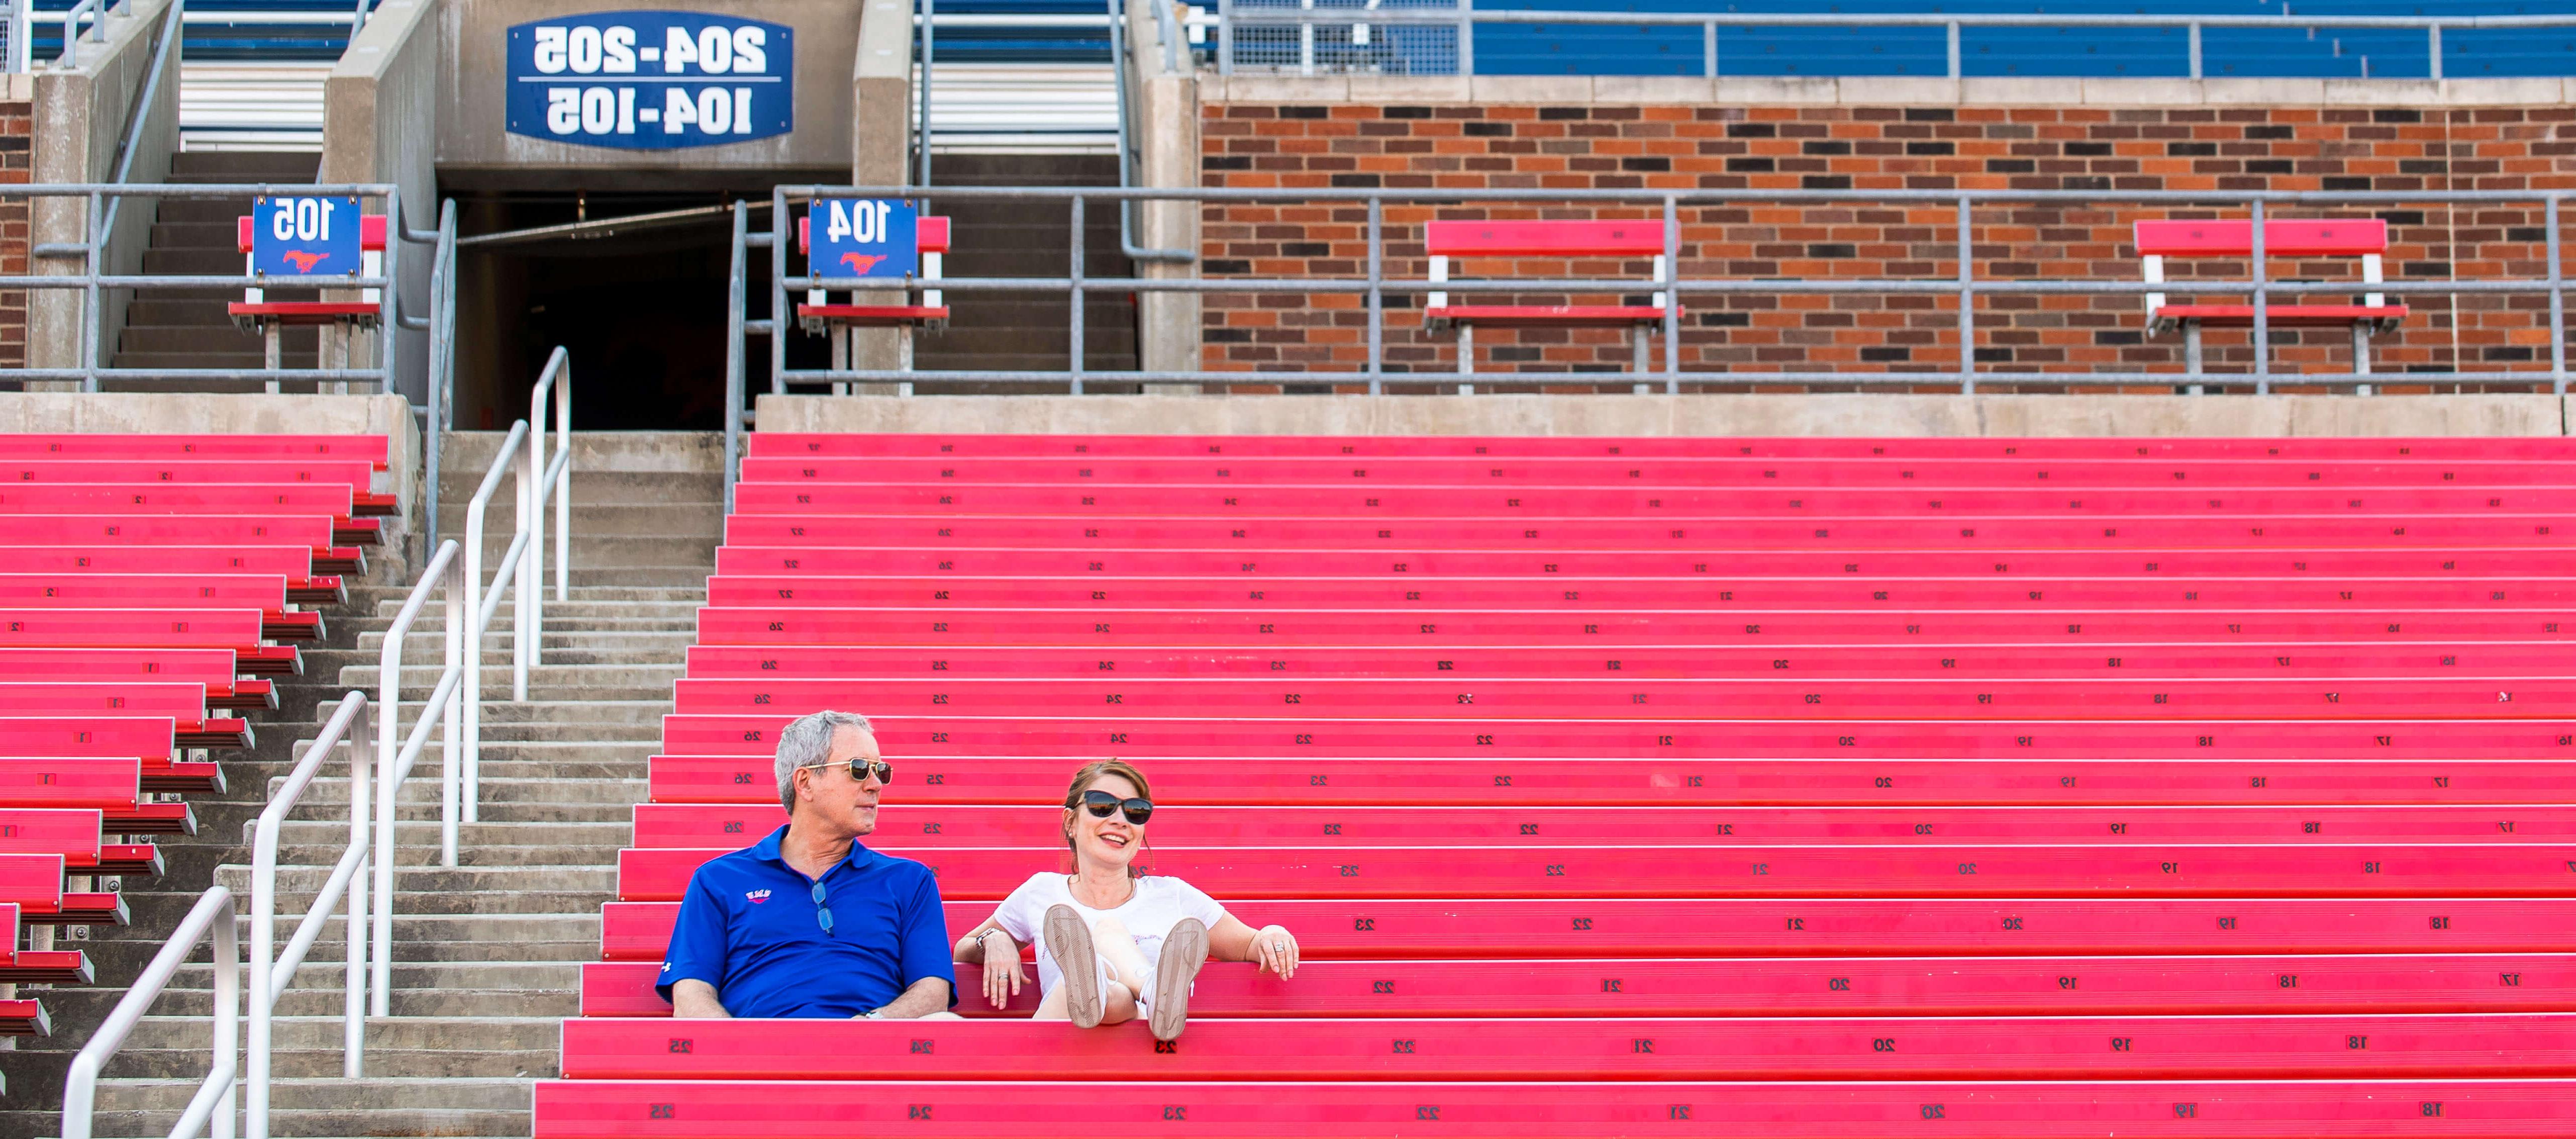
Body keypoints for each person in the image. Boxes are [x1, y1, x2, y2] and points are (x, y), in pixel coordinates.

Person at [952, 758, 1300, 1040]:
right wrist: (994, 938)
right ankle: (1149, 987)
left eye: (1135, 811)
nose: (1120, 820)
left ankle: (1116, 985)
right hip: (1057, 1056)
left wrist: (1272, 933)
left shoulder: (1172, 896)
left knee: (1105, 954)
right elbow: (963, 949)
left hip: (1147, 1061)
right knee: (1098, 971)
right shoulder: (1041, 892)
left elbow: (1249, 944)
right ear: (1071, 822)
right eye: (1102, 806)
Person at [659, 710, 958, 1019]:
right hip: (758, 1056)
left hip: (876, 1054)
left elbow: (933, 992)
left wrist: (870, 1030)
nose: (875, 785)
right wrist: (742, 1052)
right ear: (805, 782)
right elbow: (691, 994)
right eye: (858, 769)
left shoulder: (910, 881)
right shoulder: (719, 880)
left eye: (880, 770)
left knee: (946, 1023)